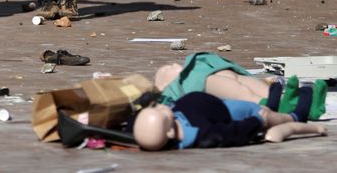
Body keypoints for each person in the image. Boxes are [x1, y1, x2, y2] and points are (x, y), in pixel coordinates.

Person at [154, 52, 328, 121]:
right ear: (163, 87)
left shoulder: (194, 66)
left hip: (213, 69)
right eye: (168, 69)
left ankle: (301, 103)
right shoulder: (178, 87)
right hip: (200, 82)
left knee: (245, 81)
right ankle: (272, 104)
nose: (174, 65)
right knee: (240, 91)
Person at [133, 91, 326, 150]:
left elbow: (135, 123)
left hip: (215, 103)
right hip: (228, 112)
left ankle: (273, 106)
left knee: (262, 109)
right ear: (169, 132)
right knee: (263, 113)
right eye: (161, 113)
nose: (160, 107)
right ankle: (295, 116)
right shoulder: (203, 134)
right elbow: (233, 132)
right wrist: (256, 121)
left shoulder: (161, 124)